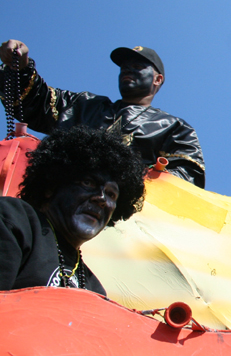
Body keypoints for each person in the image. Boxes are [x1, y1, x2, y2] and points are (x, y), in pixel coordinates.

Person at [0, 40, 205, 187]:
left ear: (157, 79)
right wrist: (20, 67)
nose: (127, 70)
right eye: (124, 67)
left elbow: (187, 179)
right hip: (57, 203)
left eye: (137, 66)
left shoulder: (174, 127)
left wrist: (125, 179)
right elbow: (36, 102)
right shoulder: (84, 105)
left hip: (125, 224)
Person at [0, 126, 146, 295]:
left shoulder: (94, 289)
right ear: (52, 185)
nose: (101, 199)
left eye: (111, 194)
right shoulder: (14, 218)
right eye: (88, 183)